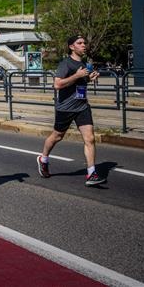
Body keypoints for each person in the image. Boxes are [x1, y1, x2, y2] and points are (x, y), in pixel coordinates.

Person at [37, 35, 106, 186]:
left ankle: (91, 173)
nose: (84, 45)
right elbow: (57, 85)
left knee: (90, 139)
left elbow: (80, 82)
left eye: (84, 43)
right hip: (66, 108)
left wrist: (89, 78)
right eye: (79, 43)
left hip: (82, 106)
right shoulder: (65, 64)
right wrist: (77, 75)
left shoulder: (83, 63)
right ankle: (43, 159)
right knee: (57, 136)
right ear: (71, 47)